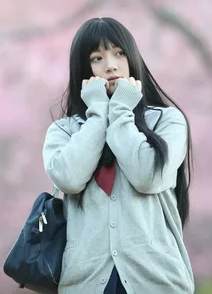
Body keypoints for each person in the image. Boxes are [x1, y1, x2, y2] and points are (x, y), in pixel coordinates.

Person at [43, 17, 195, 294]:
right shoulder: (64, 131)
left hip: (156, 280)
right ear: (82, 70)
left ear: (132, 58)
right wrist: (99, 112)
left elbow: (148, 177)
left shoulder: (167, 121)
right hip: (86, 284)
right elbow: (69, 179)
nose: (110, 65)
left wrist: (122, 110)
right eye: (96, 57)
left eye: (119, 53)